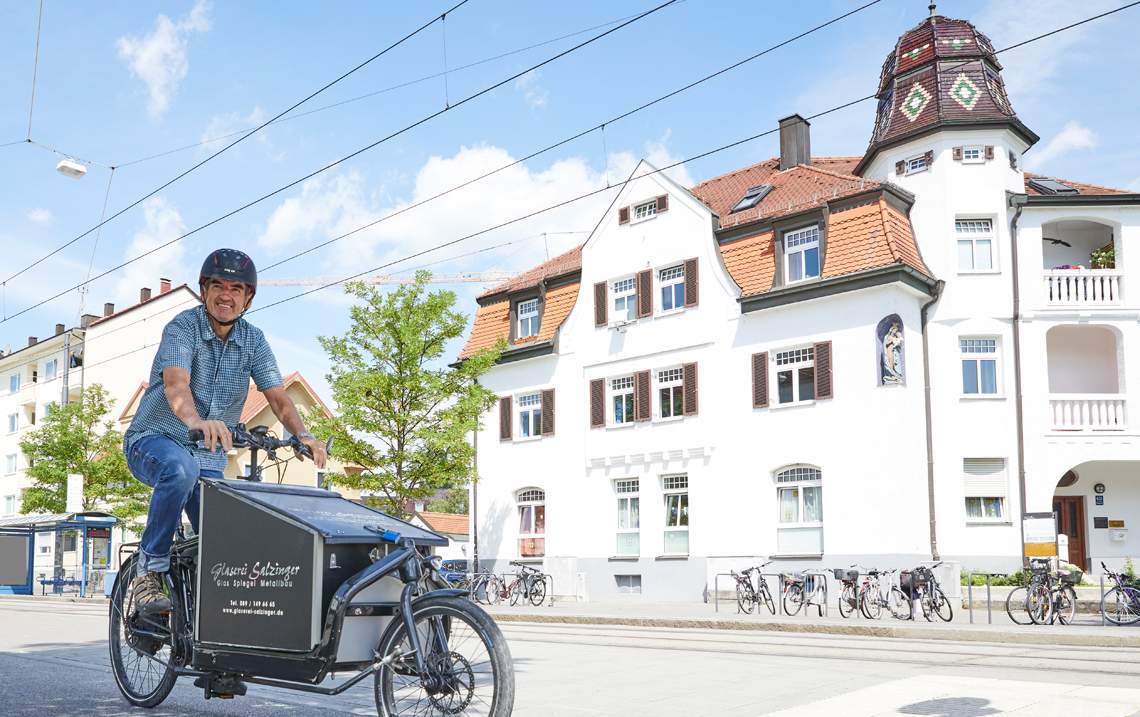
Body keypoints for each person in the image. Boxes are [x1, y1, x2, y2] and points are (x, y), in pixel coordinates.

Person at [123, 248, 327, 612]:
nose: (226, 295)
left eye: (236, 288)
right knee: (180, 468)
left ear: (248, 298)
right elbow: (176, 384)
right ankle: (148, 573)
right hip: (155, 441)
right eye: (218, 285)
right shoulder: (182, 328)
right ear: (205, 290)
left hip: (208, 458)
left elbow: (279, 399)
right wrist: (196, 422)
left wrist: (303, 434)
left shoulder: (254, 341)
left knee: (229, 537)